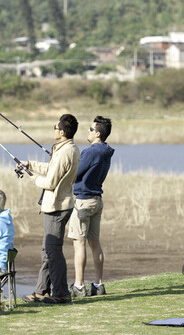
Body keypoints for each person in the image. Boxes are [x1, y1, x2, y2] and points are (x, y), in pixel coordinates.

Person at [20, 114, 80, 304]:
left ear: (62, 132)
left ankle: (61, 293)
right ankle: (41, 291)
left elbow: (51, 182)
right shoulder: (68, 149)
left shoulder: (64, 152)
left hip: (57, 206)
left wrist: (34, 179)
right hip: (58, 204)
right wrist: (31, 165)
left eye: (55, 127)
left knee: (53, 251)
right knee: (48, 250)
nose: (53, 130)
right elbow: (53, 169)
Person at [67, 116, 114, 297]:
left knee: (79, 244)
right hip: (97, 201)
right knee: (95, 244)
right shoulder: (106, 151)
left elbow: (75, 174)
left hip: (84, 202)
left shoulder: (91, 151)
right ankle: (98, 285)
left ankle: (79, 286)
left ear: (98, 133)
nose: (88, 131)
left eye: (90, 129)